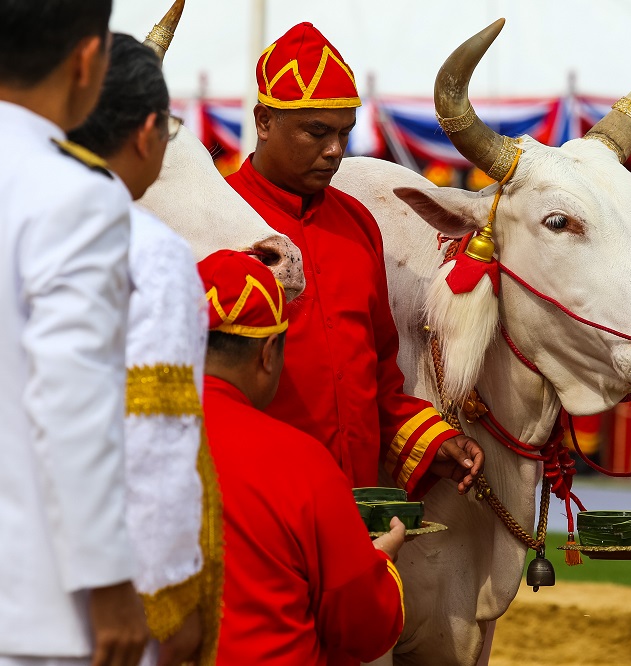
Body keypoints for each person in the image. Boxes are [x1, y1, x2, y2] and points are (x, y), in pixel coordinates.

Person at [226, 22, 482, 496]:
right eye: (317, 131)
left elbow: (380, 374)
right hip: (255, 497)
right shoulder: (219, 220)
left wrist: (431, 441)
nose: (334, 152)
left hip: (355, 500)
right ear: (264, 121)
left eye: (344, 133)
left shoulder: (359, 223)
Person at [0, 1, 149, 664]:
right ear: (88, 61)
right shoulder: (76, 196)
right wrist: (109, 578)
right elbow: (71, 397)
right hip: (36, 607)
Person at [67, 32, 222, 665]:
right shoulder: (147, 253)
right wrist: (166, 598)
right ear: (148, 131)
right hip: (106, 607)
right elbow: (153, 441)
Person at [198, 249, 405, 665]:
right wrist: (383, 563)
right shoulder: (301, 462)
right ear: (269, 351)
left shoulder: (112, 437)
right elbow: (363, 627)